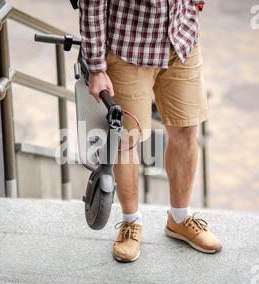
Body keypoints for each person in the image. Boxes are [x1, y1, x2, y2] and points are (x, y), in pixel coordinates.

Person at [79, 0, 222, 262]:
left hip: (181, 39)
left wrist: (195, 6)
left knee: (187, 130)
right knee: (126, 140)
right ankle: (130, 222)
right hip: (128, 45)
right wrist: (96, 66)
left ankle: (179, 218)